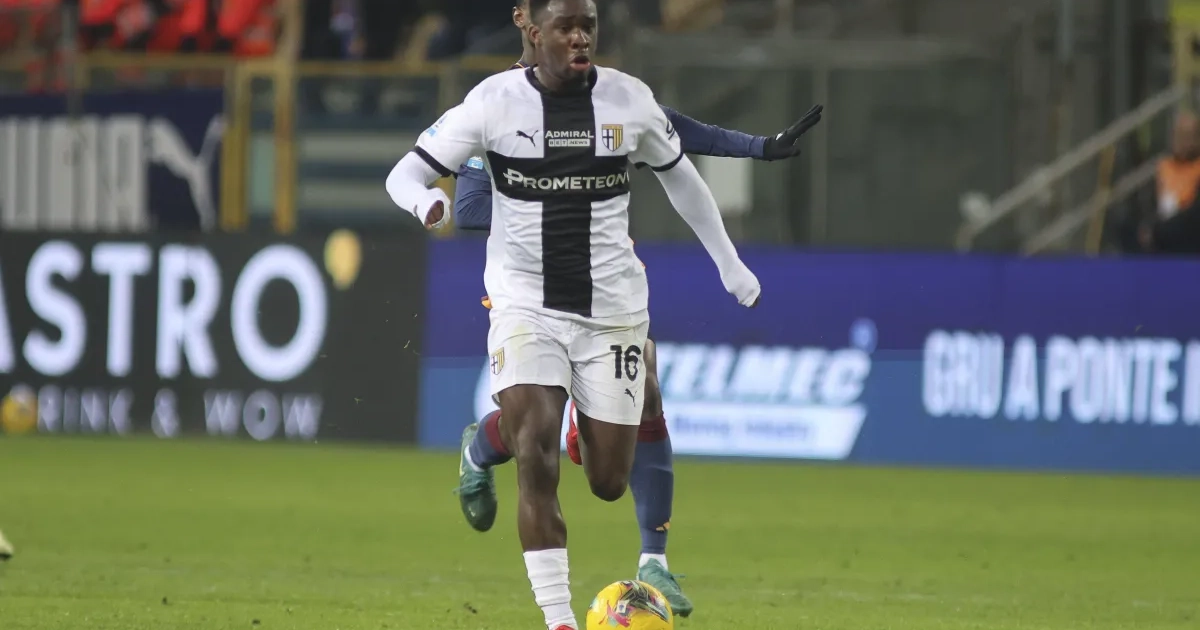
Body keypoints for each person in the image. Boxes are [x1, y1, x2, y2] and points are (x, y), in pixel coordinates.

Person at [385, 1, 761, 626]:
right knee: (536, 448)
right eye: (566, 26)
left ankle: (488, 442)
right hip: (524, 302)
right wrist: (425, 202)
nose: (580, 36)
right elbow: (403, 174)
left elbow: (682, 178)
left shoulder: (628, 100)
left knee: (609, 480)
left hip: (612, 309)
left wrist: (729, 263)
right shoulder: (492, 102)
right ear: (532, 31)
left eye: (588, 24)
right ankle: (559, 619)